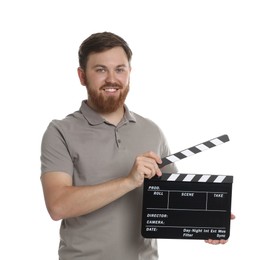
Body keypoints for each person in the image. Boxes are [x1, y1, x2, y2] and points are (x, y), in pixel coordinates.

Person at [40, 32, 235, 260]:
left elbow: (173, 202)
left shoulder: (151, 131)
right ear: (82, 76)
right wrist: (128, 181)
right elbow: (58, 206)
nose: (112, 79)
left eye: (120, 69)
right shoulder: (60, 131)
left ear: (129, 73)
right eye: (101, 70)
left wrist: (207, 220)